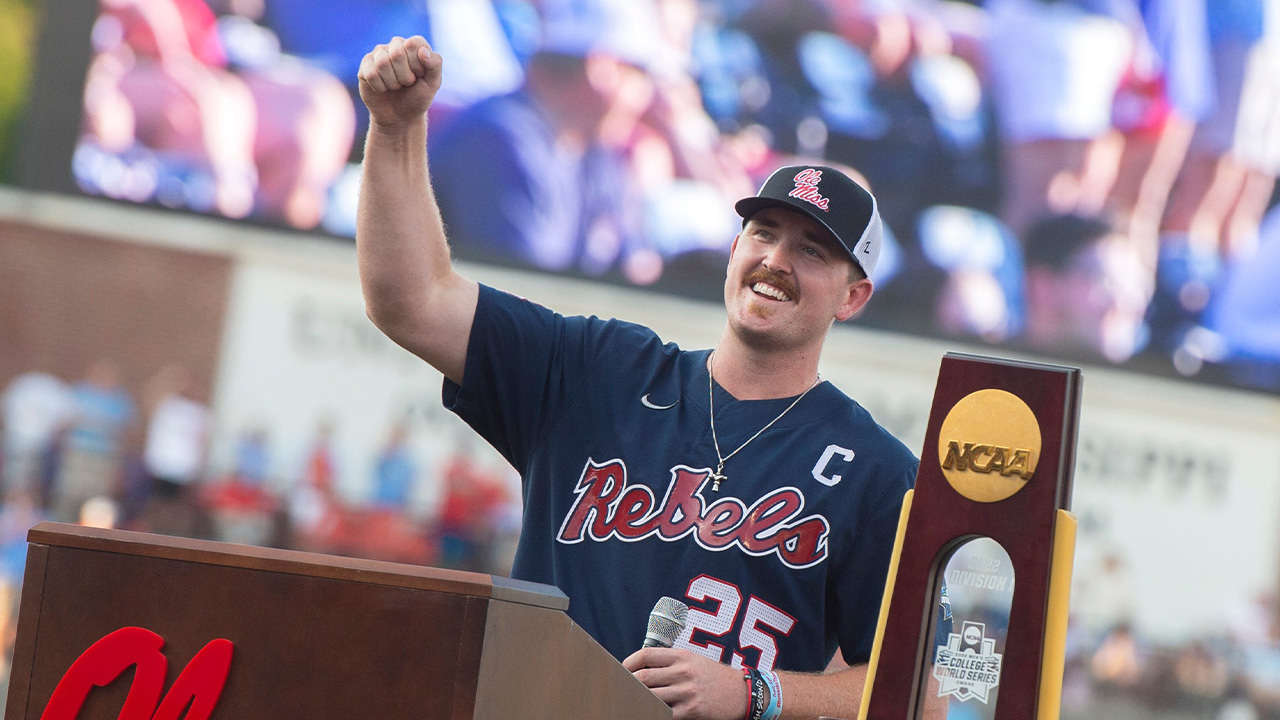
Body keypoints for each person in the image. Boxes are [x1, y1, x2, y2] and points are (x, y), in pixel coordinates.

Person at [356, 35, 921, 720]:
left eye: (811, 250)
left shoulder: (876, 473)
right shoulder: (599, 370)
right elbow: (413, 300)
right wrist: (395, 127)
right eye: (763, 233)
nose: (776, 259)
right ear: (733, 250)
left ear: (852, 298)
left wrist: (754, 692)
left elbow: (921, 690)